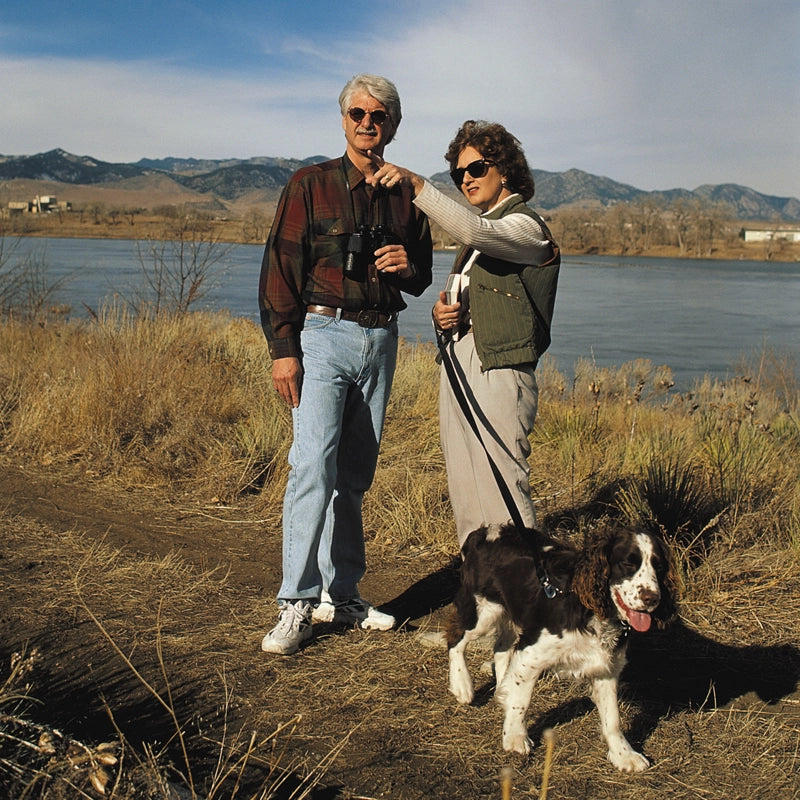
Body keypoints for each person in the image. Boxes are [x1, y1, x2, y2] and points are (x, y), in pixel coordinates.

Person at [258, 74, 433, 655]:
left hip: (382, 340)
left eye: (379, 115)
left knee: (354, 478)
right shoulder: (310, 183)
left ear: (393, 125)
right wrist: (285, 351)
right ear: (343, 120)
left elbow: (422, 278)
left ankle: (345, 595)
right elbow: (280, 269)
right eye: (357, 112)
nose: (367, 122)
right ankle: (296, 604)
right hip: (322, 334)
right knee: (312, 466)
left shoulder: (408, 194)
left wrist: (407, 263)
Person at [369, 120, 559, 550]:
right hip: (461, 362)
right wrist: (443, 316)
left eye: (475, 169)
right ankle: (483, 591)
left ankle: (529, 591)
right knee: (466, 483)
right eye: (458, 175)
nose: (466, 180)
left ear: (505, 169)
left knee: (501, 484)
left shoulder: (527, 228)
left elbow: (479, 232)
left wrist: (418, 185)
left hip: (500, 368)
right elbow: (477, 282)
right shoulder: (477, 241)